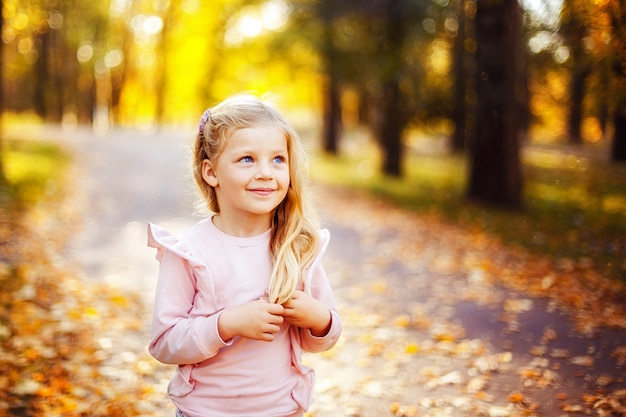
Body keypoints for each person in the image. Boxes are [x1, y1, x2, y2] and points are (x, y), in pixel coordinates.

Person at [147, 94, 342, 417]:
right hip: (205, 412)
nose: (266, 172)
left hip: (281, 410)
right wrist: (226, 324)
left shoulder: (296, 246)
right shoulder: (189, 252)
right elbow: (165, 343)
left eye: (278, 159)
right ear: (211, 172)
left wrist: (319, 319)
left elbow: (321, 340)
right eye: (247, 159)